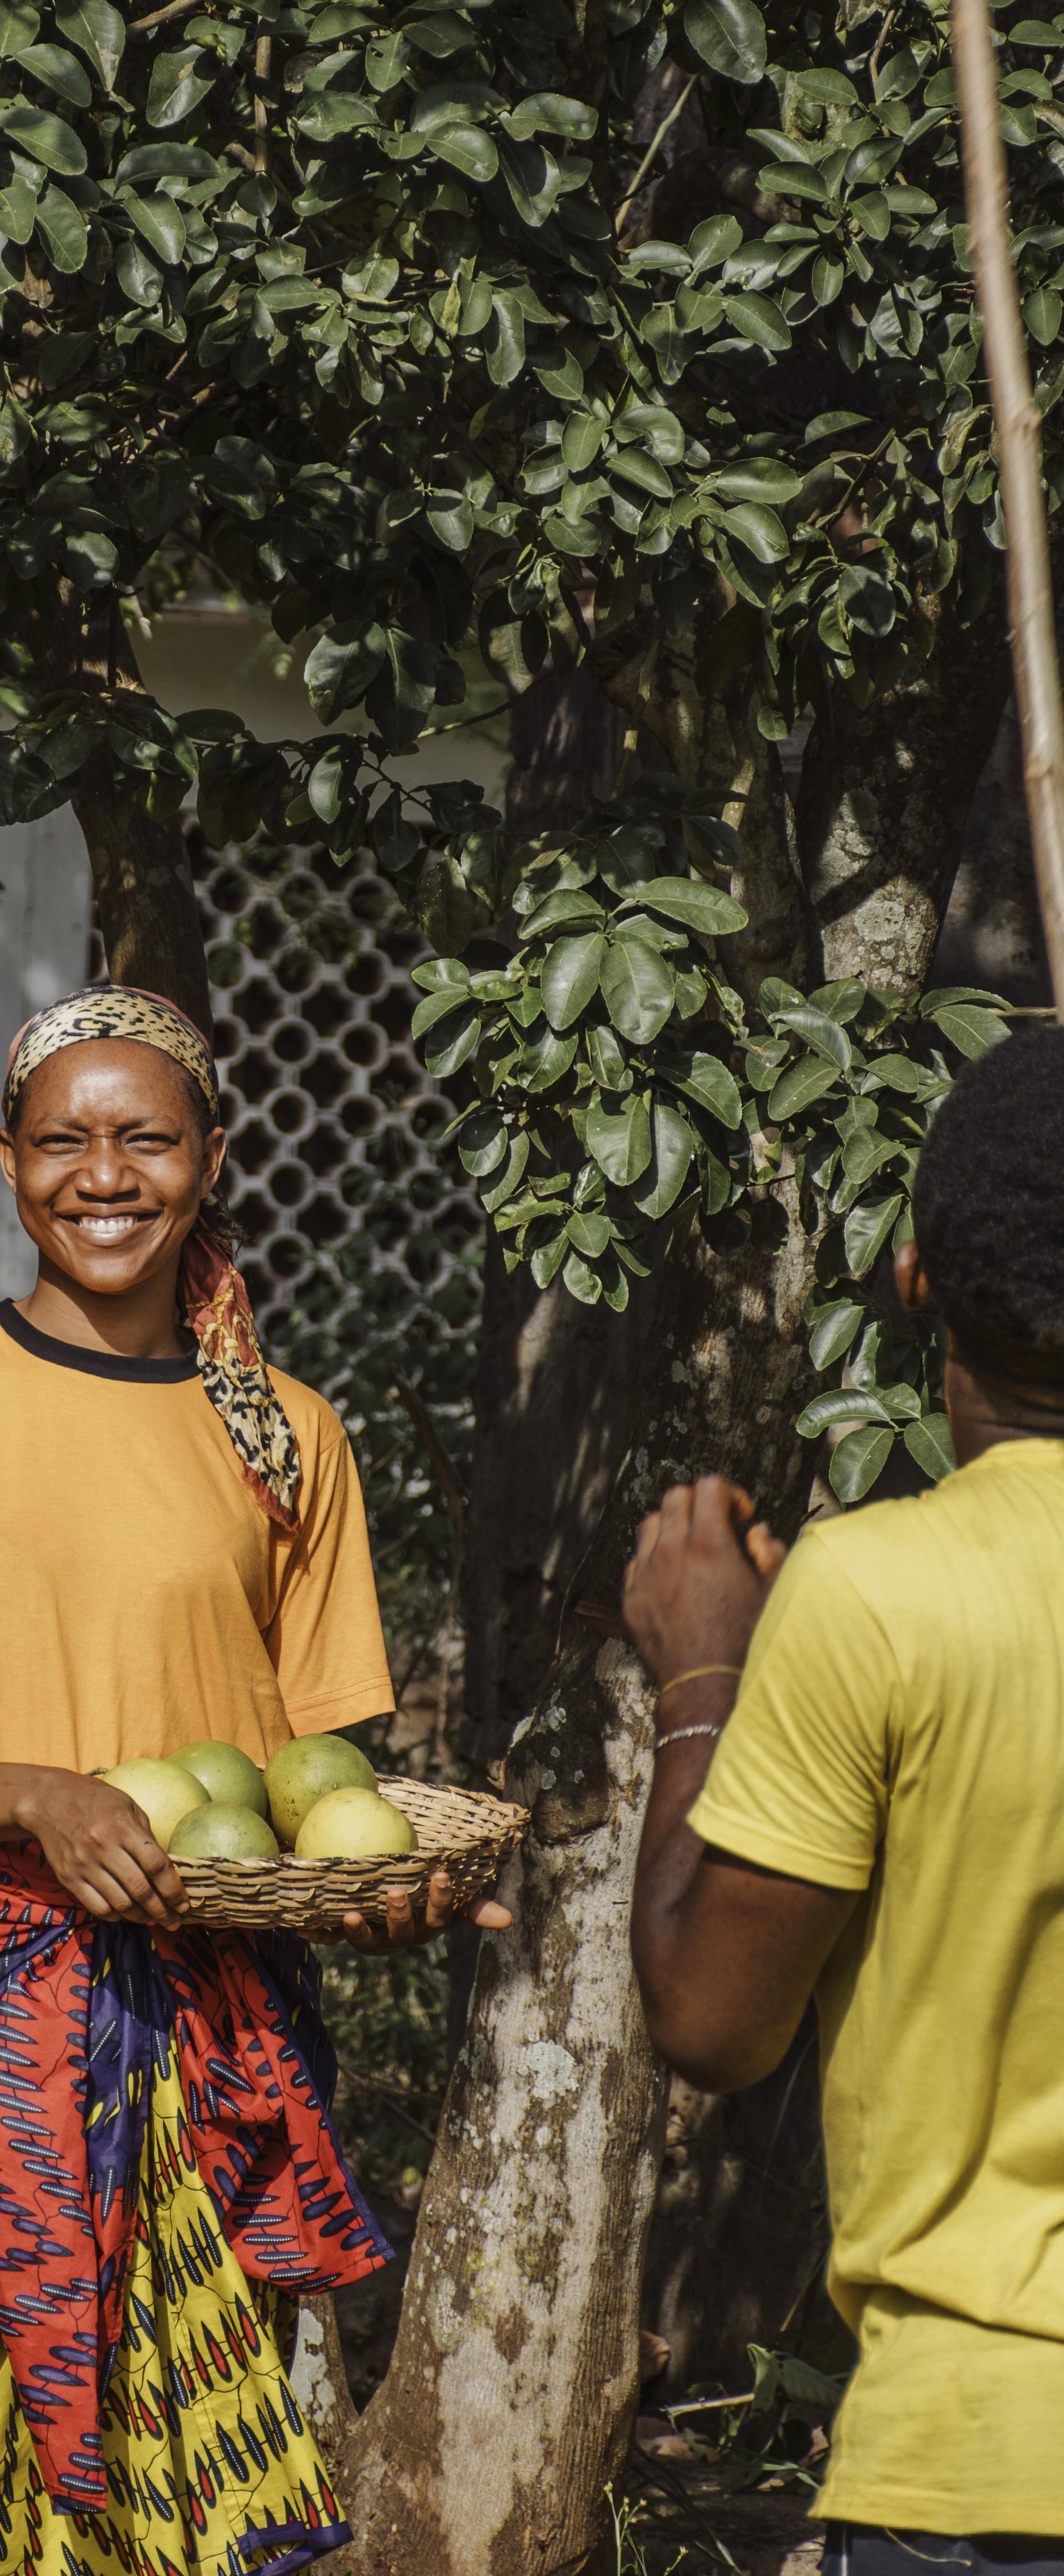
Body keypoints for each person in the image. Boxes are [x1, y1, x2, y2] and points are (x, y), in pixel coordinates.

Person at [0, 981, 506, 2576]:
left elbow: (315, 1793)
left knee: (191, 2480)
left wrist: (376, 1901)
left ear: (213, 1157)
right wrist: (40, 1797)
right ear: (7, 1161)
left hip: (216, 2025)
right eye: (65, 1141)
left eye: (148, 1138)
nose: (106, 1174)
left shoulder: (290, 1436)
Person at [625, 1024, 1064, 2560]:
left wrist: (703, 1678)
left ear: (917, 1276)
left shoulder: (879, 1593)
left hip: (985, 2466)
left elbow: (710, 2019)